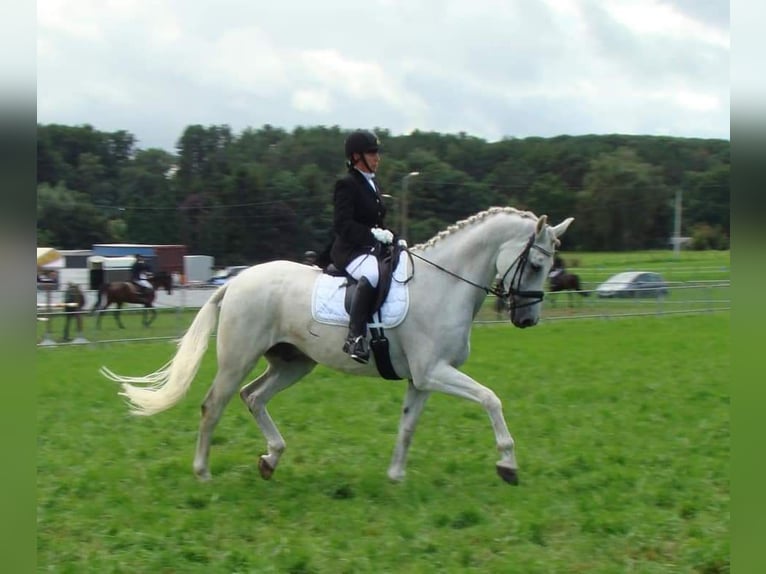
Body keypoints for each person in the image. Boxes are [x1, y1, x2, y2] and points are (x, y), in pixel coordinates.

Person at [330, 129, 394, 364]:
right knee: (372, 274)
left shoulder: (372, 184)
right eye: (372, 153)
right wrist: (372, 236)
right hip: (350, 251)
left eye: (377, 152)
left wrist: (392, 239)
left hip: (370, 248)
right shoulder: (347, 184)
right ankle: (355, 337)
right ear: (357, 157)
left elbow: (377, 222)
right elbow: (342, 225)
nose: (378, 157)